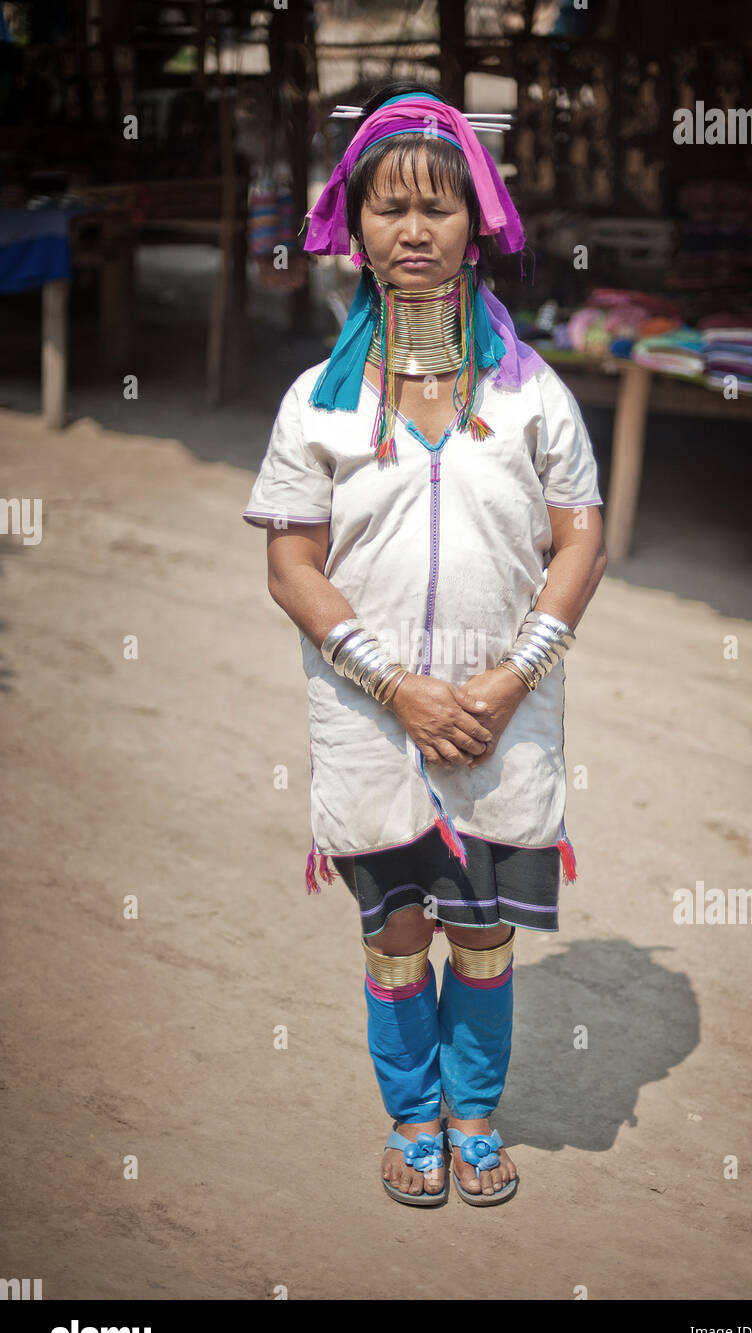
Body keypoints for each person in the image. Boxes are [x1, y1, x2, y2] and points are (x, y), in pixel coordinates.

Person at [243, 82, 606, 1207]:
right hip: (371, 717)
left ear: (478, 224)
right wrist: (395, 687)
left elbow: (580, 539)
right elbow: (291, 565)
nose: (413, 230)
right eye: (388, 208)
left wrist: (510, 676)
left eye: (437, 208)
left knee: (483, 928)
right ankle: (413, 1118)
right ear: (352, 230)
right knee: (399, 926)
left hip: (506, 715)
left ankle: (475, 1114)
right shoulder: (320, 404)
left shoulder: (530, 392)